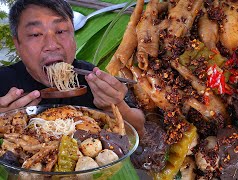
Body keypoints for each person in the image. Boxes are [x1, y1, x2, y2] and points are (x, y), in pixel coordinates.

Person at [0, 0, 145, 135]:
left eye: (61, 31)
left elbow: (140, 128)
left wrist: (115, 105)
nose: (52, 45)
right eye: (36, 34)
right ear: (18, 44)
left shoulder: (90, 76)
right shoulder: (3, 80)